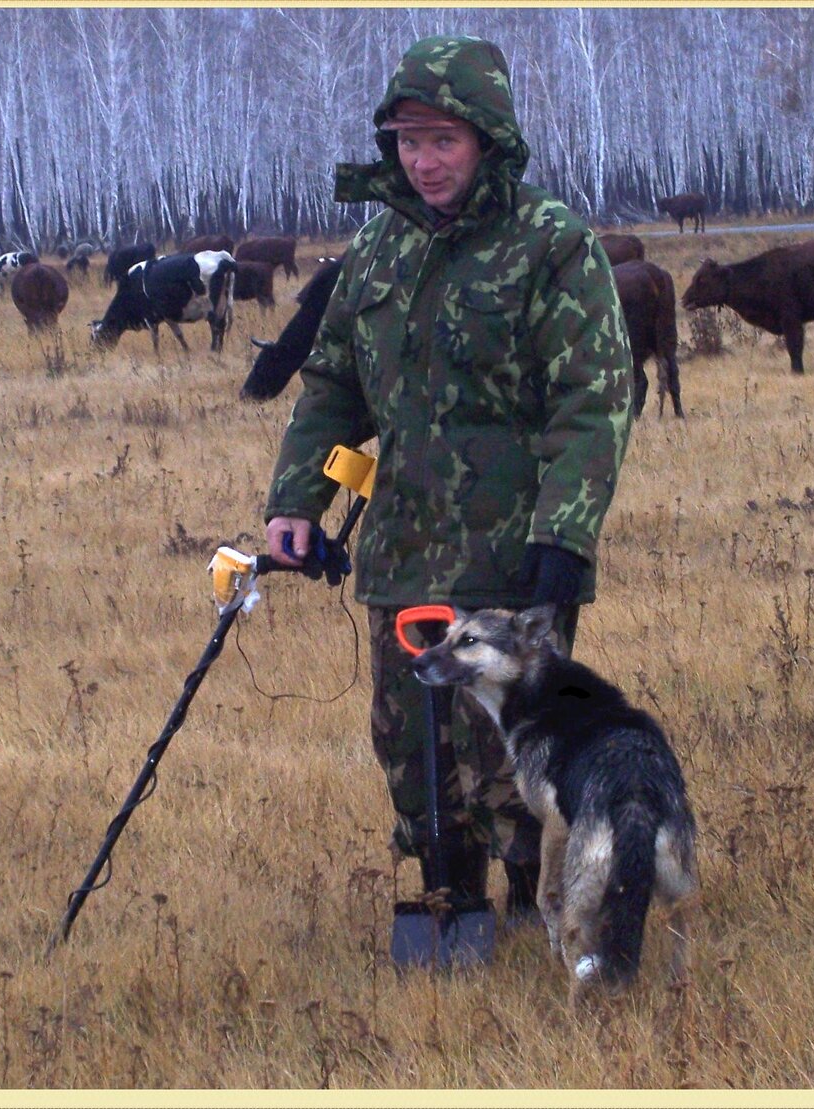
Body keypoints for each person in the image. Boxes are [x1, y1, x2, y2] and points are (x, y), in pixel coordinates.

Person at [264, 35, 634, 926]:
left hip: (514, 554)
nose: (422, 163)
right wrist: (294, 503)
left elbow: (595, 399)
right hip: (401, 548)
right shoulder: (377, 250)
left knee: (513, 744)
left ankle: (529, 900)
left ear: (488, 139)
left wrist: (564, 533)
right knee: (408, 737)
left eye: (443, 141)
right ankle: (446, 890)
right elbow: (333, 385)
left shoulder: (553, 245)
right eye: (406, 140)